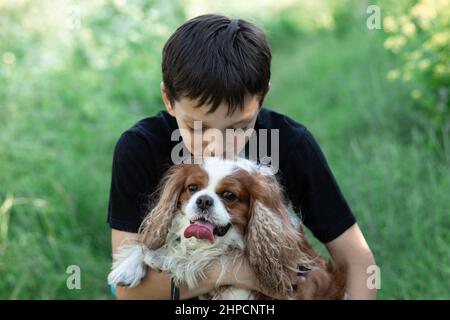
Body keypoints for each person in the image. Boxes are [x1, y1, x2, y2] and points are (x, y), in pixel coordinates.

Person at [107, 14, 376, 300]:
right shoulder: (140, 147)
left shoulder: (290, 142)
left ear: (262, 98)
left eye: (238, 127)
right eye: (198, 127)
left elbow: (357, 260)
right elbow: (128, 292)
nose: (217, 145)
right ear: (168, 99)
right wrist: (236, 272)